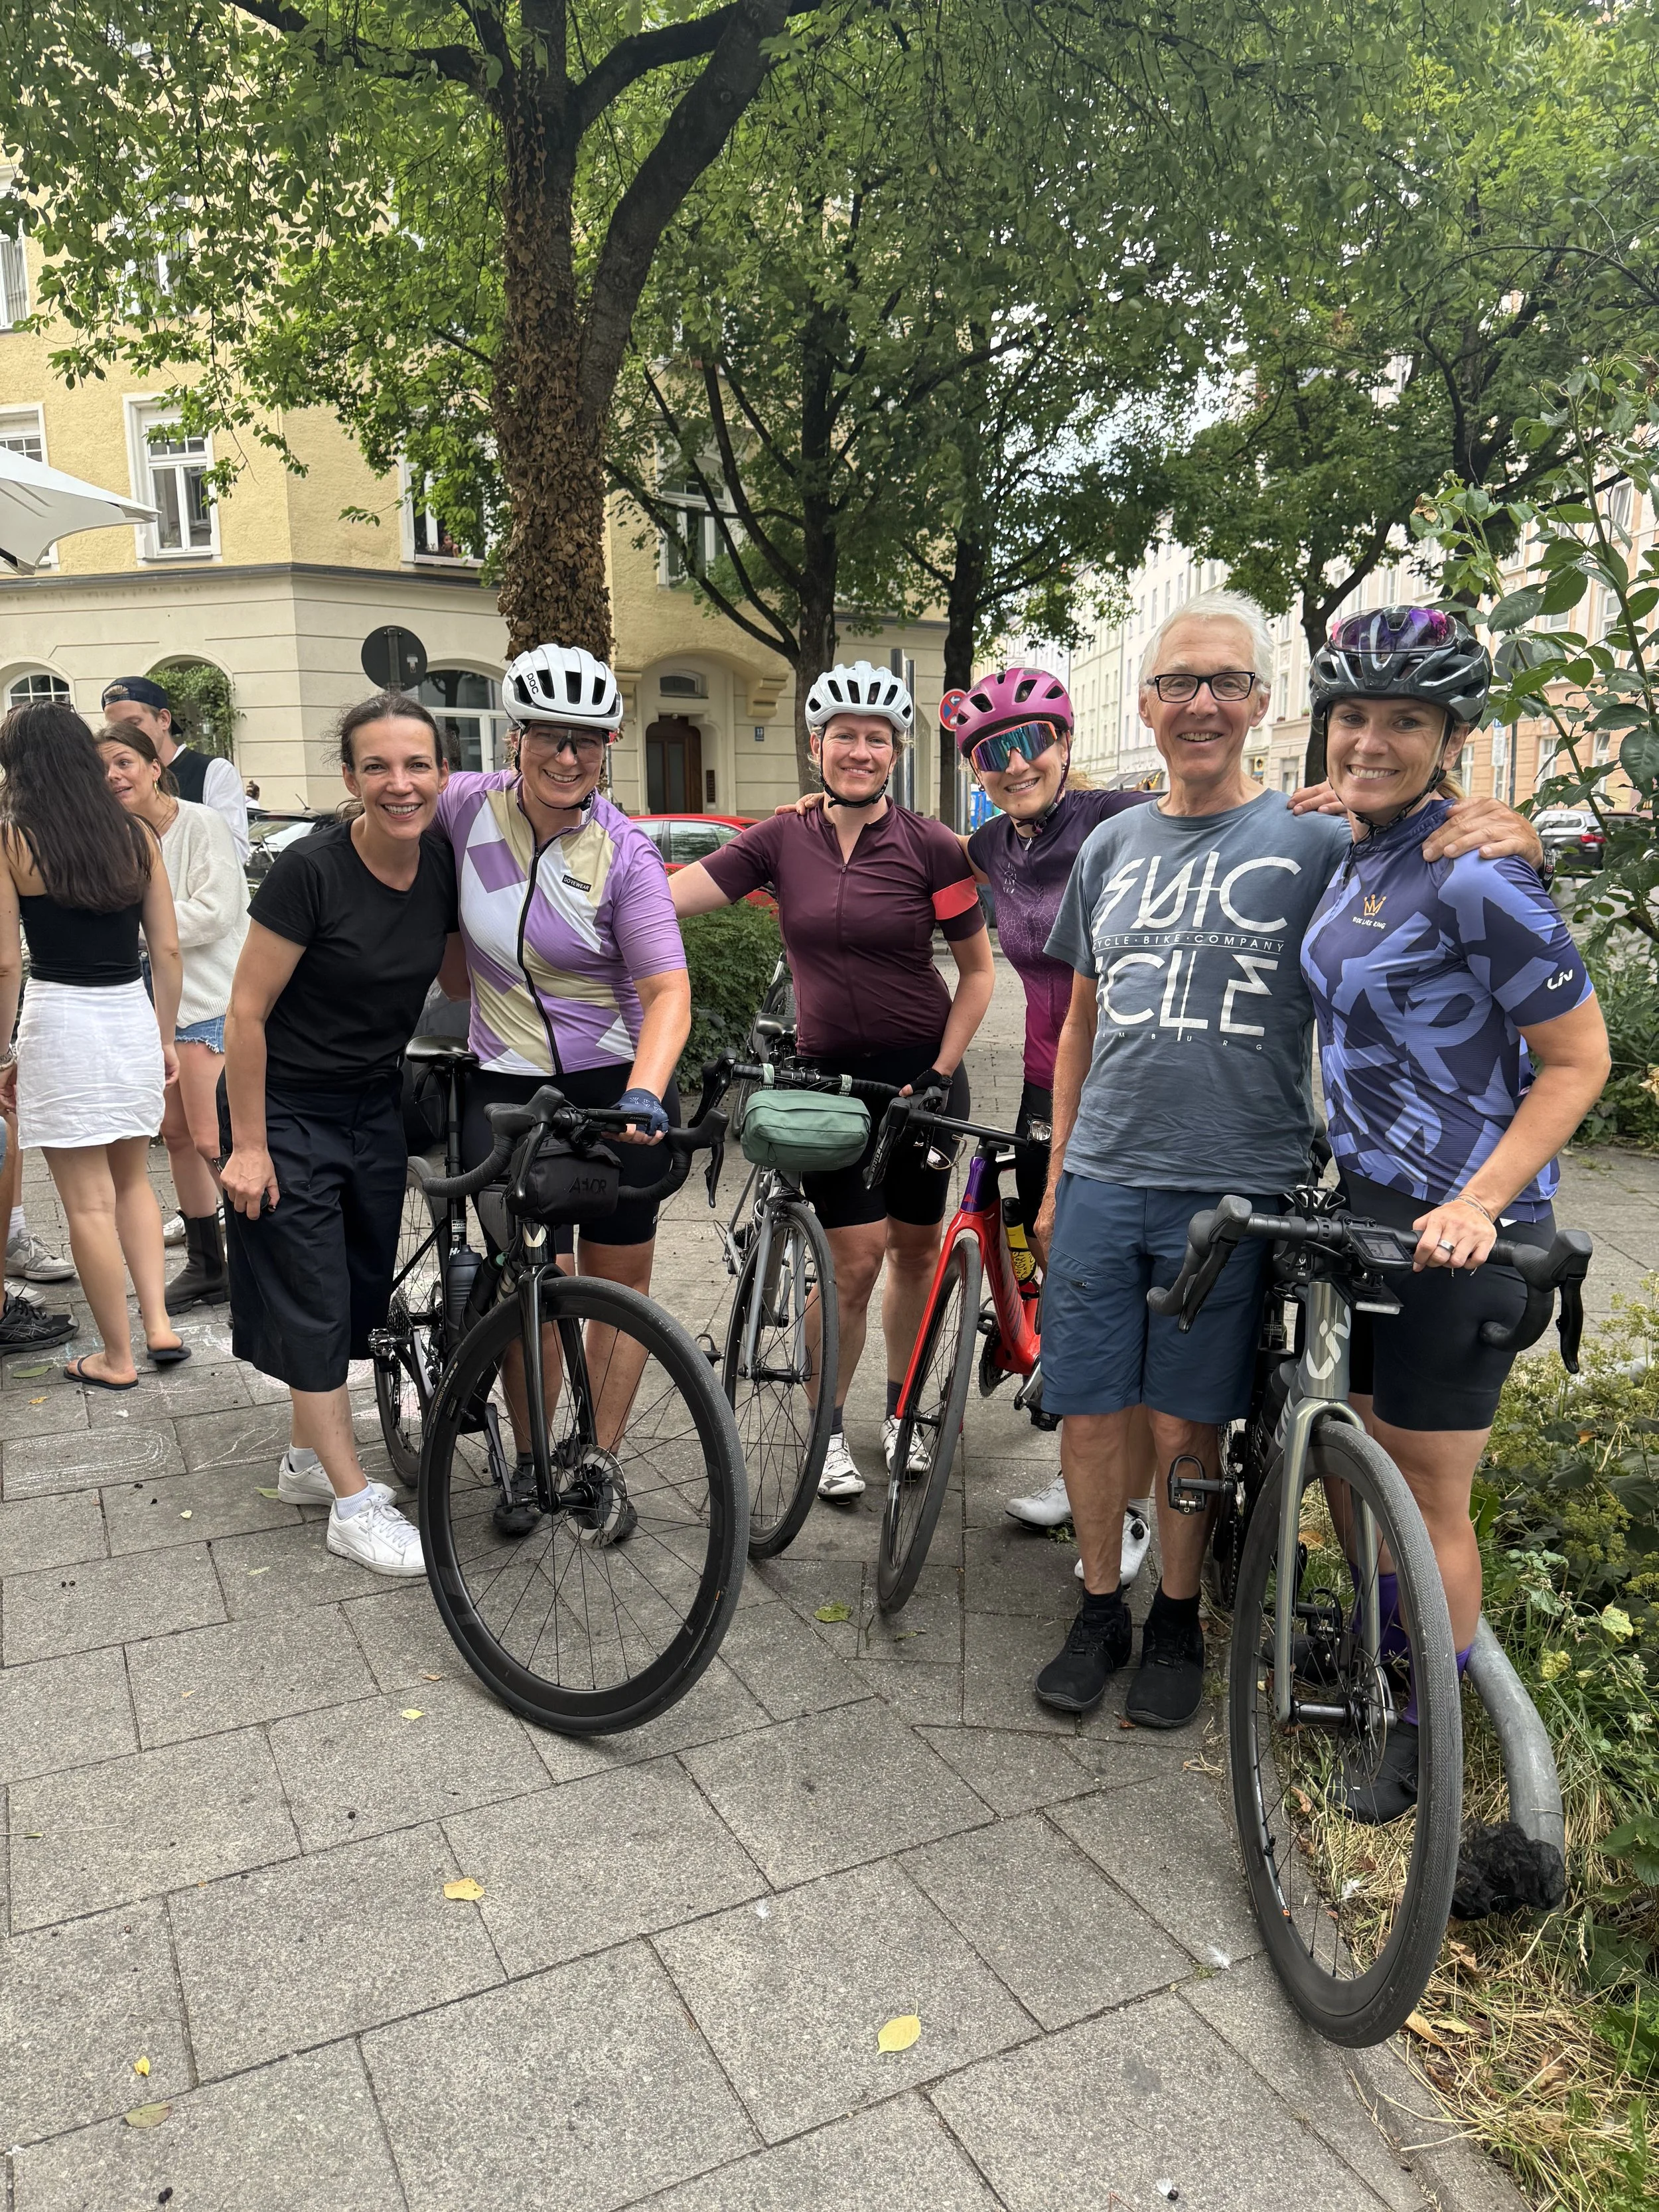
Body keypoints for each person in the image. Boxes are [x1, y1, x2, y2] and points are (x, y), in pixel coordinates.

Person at [1033, 589, 1543, 1728]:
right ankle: (1098, 1605)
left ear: (1264, 706)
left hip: (1237, 1181)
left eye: (1226, 682)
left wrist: (1519, 830)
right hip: (1104, 1170)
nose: (1200, 703)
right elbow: (1079, 1024)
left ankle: (1177, 1615)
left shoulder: (1319, 838)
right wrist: (1058, 1174)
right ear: (1147, 705)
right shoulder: (1108, 844)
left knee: (1186, 1422)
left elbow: (1432, 852)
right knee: (1091, 1410)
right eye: (1178, 682)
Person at [1299, 607, 1609, 1818]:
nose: (1371, 740)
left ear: (1452, 736)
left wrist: (1480, 1202)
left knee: (1429, 1497)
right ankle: (1383, 1656)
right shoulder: (1367, 845)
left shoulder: (1481, 872)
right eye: (1353, 716)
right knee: (1355, 1458)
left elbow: (1577, 1062)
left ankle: (1424, 1733)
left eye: (1405, 721)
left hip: (1464, 1231)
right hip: (1371, 1209)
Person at [672, 658, 995, 1499]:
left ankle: (902, 1413)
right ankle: (828, 1425)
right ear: (816, 746)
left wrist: (940, 1071)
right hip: (828, 1084)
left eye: (876, 739)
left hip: (922, 1080)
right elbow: (670, 898)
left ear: (896, 753)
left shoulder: (931, 846)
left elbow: (978, 974)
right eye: (843, 736)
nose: (859, 751)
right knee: (854, 1258)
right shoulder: (781, 839)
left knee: (916, 1252)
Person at [433, 642, 691, 1538]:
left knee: (619, 1284)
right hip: (504, 1079)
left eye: (587, 739)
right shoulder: (465, 808)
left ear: (607, 745)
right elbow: (387, 811)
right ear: (517, 736)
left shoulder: (624, 854)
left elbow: (668, 992)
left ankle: (598, 1458)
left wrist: (645, 1094)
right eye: (549, 733)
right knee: (529, 1281)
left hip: (613, 1081)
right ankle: (534, 1459)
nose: (568, 755)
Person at [220, 692, 458, 1576]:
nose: (400, 783)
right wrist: (249, 1146)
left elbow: (467, 978)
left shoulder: (440, 865)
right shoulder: (311, 871)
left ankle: (304, 1463)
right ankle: (352, 1507)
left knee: (352, 1296)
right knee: (313, 1297)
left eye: (417, 764)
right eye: (377, 767)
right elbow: (245, 1013)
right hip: (282, 1107)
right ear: (350, 778)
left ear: (442, 773)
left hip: (371, 1107)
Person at [0, 702, 187, 1387]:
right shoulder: (136, 834)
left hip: (59, 1020)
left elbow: (6, 965)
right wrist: (164, 1035)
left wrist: (3, 1053)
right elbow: (167, 949)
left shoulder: (12, 840)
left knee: (86, 1203)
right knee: (134, 1181)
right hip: (129, 1015)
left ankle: (116, 1357)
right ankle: (159, 1325)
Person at [97, 724, 249, 1310]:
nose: (114, 776)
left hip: (211, 1002)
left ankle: (259, 1261)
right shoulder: (116, 839)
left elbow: (217, 912)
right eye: (103, 768)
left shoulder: (200, 823)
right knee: (179, 1136)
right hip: (153, 1010)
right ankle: (209, 1265)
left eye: (124, 761)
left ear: (155, 767)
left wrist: (137, 925)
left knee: (215, 1140)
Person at [102, 677, 250, 863]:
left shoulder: (213, 771)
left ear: (164, 720)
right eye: (115, 728)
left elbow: (233, 853)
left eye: (134, 723)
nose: (123, 736)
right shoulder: (111, 781)